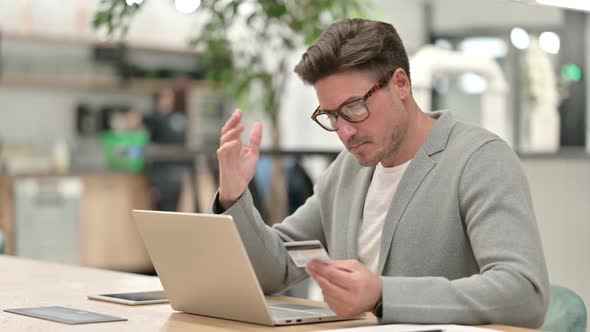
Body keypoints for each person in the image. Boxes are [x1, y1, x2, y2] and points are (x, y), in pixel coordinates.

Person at [213, 18, 549, 327]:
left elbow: (523, 292)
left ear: (400, 83)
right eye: (332, 115)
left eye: (354, 107)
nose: (344, 132)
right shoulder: (348, 171)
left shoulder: (479, 160)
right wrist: (234, 195)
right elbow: (277, 268)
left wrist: (383, 294)